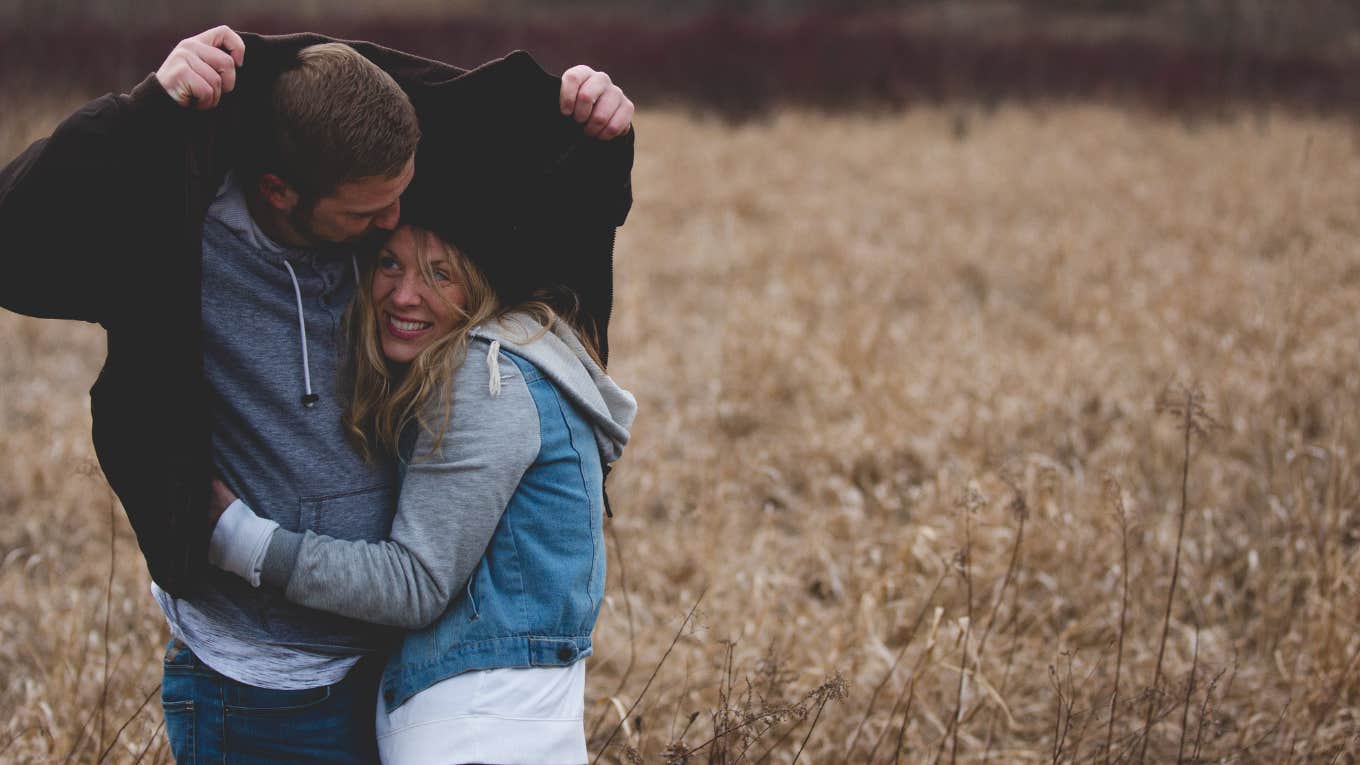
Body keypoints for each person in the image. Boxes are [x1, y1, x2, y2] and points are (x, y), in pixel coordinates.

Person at [0, 25, 634, 763]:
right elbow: (16, 233)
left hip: (391, 674)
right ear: (280, 193)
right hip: (258, 689)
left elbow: (532, 184)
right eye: (369, 218)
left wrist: (598, 125)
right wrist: (146, 108)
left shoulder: (375, 205)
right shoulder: (177, 238)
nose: (393, 225)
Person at [208, 223, 635, 763]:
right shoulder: (526, 358)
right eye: (390, 264)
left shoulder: (487, 378)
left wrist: (239, 540)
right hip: (509, 727)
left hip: (473, 733)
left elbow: (416, 582)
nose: (405, 294)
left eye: (440, 274)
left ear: (482, 285)